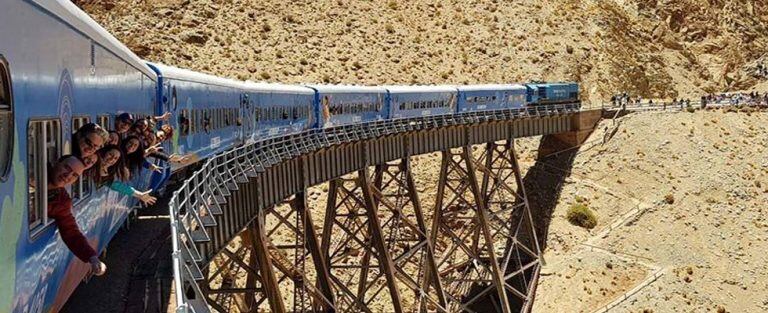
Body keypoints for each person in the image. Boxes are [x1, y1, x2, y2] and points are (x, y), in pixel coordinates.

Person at [47, 155, 107, 276]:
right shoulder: (33, 169)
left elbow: (71, 233)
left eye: (74, 175)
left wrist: (92, 257)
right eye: (66, 168)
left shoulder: (62, 201)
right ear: (56, 163)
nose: (68, 176)